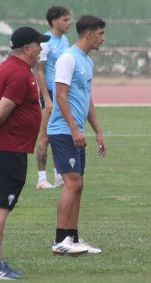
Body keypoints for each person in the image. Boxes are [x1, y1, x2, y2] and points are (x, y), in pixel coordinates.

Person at [0, 26, 50, 280]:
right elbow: (3, 108)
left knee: (0, 205)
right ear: (27, 48)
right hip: (8, 150)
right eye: (38, 44)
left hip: (6, 148)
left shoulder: (7, 68)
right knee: (0, 206)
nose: (41, 48)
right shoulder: (18, 73)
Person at [47, 15, 107, 256]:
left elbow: (87, 97)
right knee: (72, 184)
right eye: (101, 34)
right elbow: (60, 96)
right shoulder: (68, 59)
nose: (103, 39)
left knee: (78, 186)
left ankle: (72, 239)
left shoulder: (87, 61)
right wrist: (74, 129)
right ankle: (60, 240)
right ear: (89, 34)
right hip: (63, 132)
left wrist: (98, 130)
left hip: (75, 132)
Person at [35, 6, 71, 189]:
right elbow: (39, 71)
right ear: (54, 21)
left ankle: (58, 175)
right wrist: (47, 100)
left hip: (60, 94)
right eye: (65, 19)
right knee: (45, 137)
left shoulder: (64, 40)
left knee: (59, 135)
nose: (69, 23)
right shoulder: (45, 42)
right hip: (49, 94)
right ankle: (41, 179)